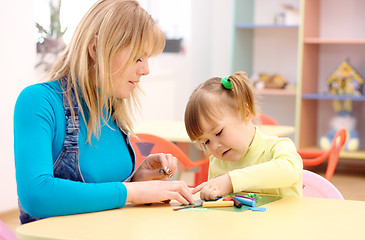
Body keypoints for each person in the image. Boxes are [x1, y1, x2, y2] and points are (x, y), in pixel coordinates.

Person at [14, 0, 193, 224]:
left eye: (148, 59)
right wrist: (132, 193)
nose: (146, 70)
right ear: (96, 49)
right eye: (138, 57)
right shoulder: (39, 101)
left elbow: (104, 194)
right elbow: (37, 195)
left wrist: (137, 180)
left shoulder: (112, 109)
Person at [184, 71, 303, 200]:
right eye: (206, 142)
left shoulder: (277, 148)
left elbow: (290, 171)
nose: (215, 146)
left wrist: (232, 181)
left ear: (245, 113)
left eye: (219, 132)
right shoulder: (217, 163)